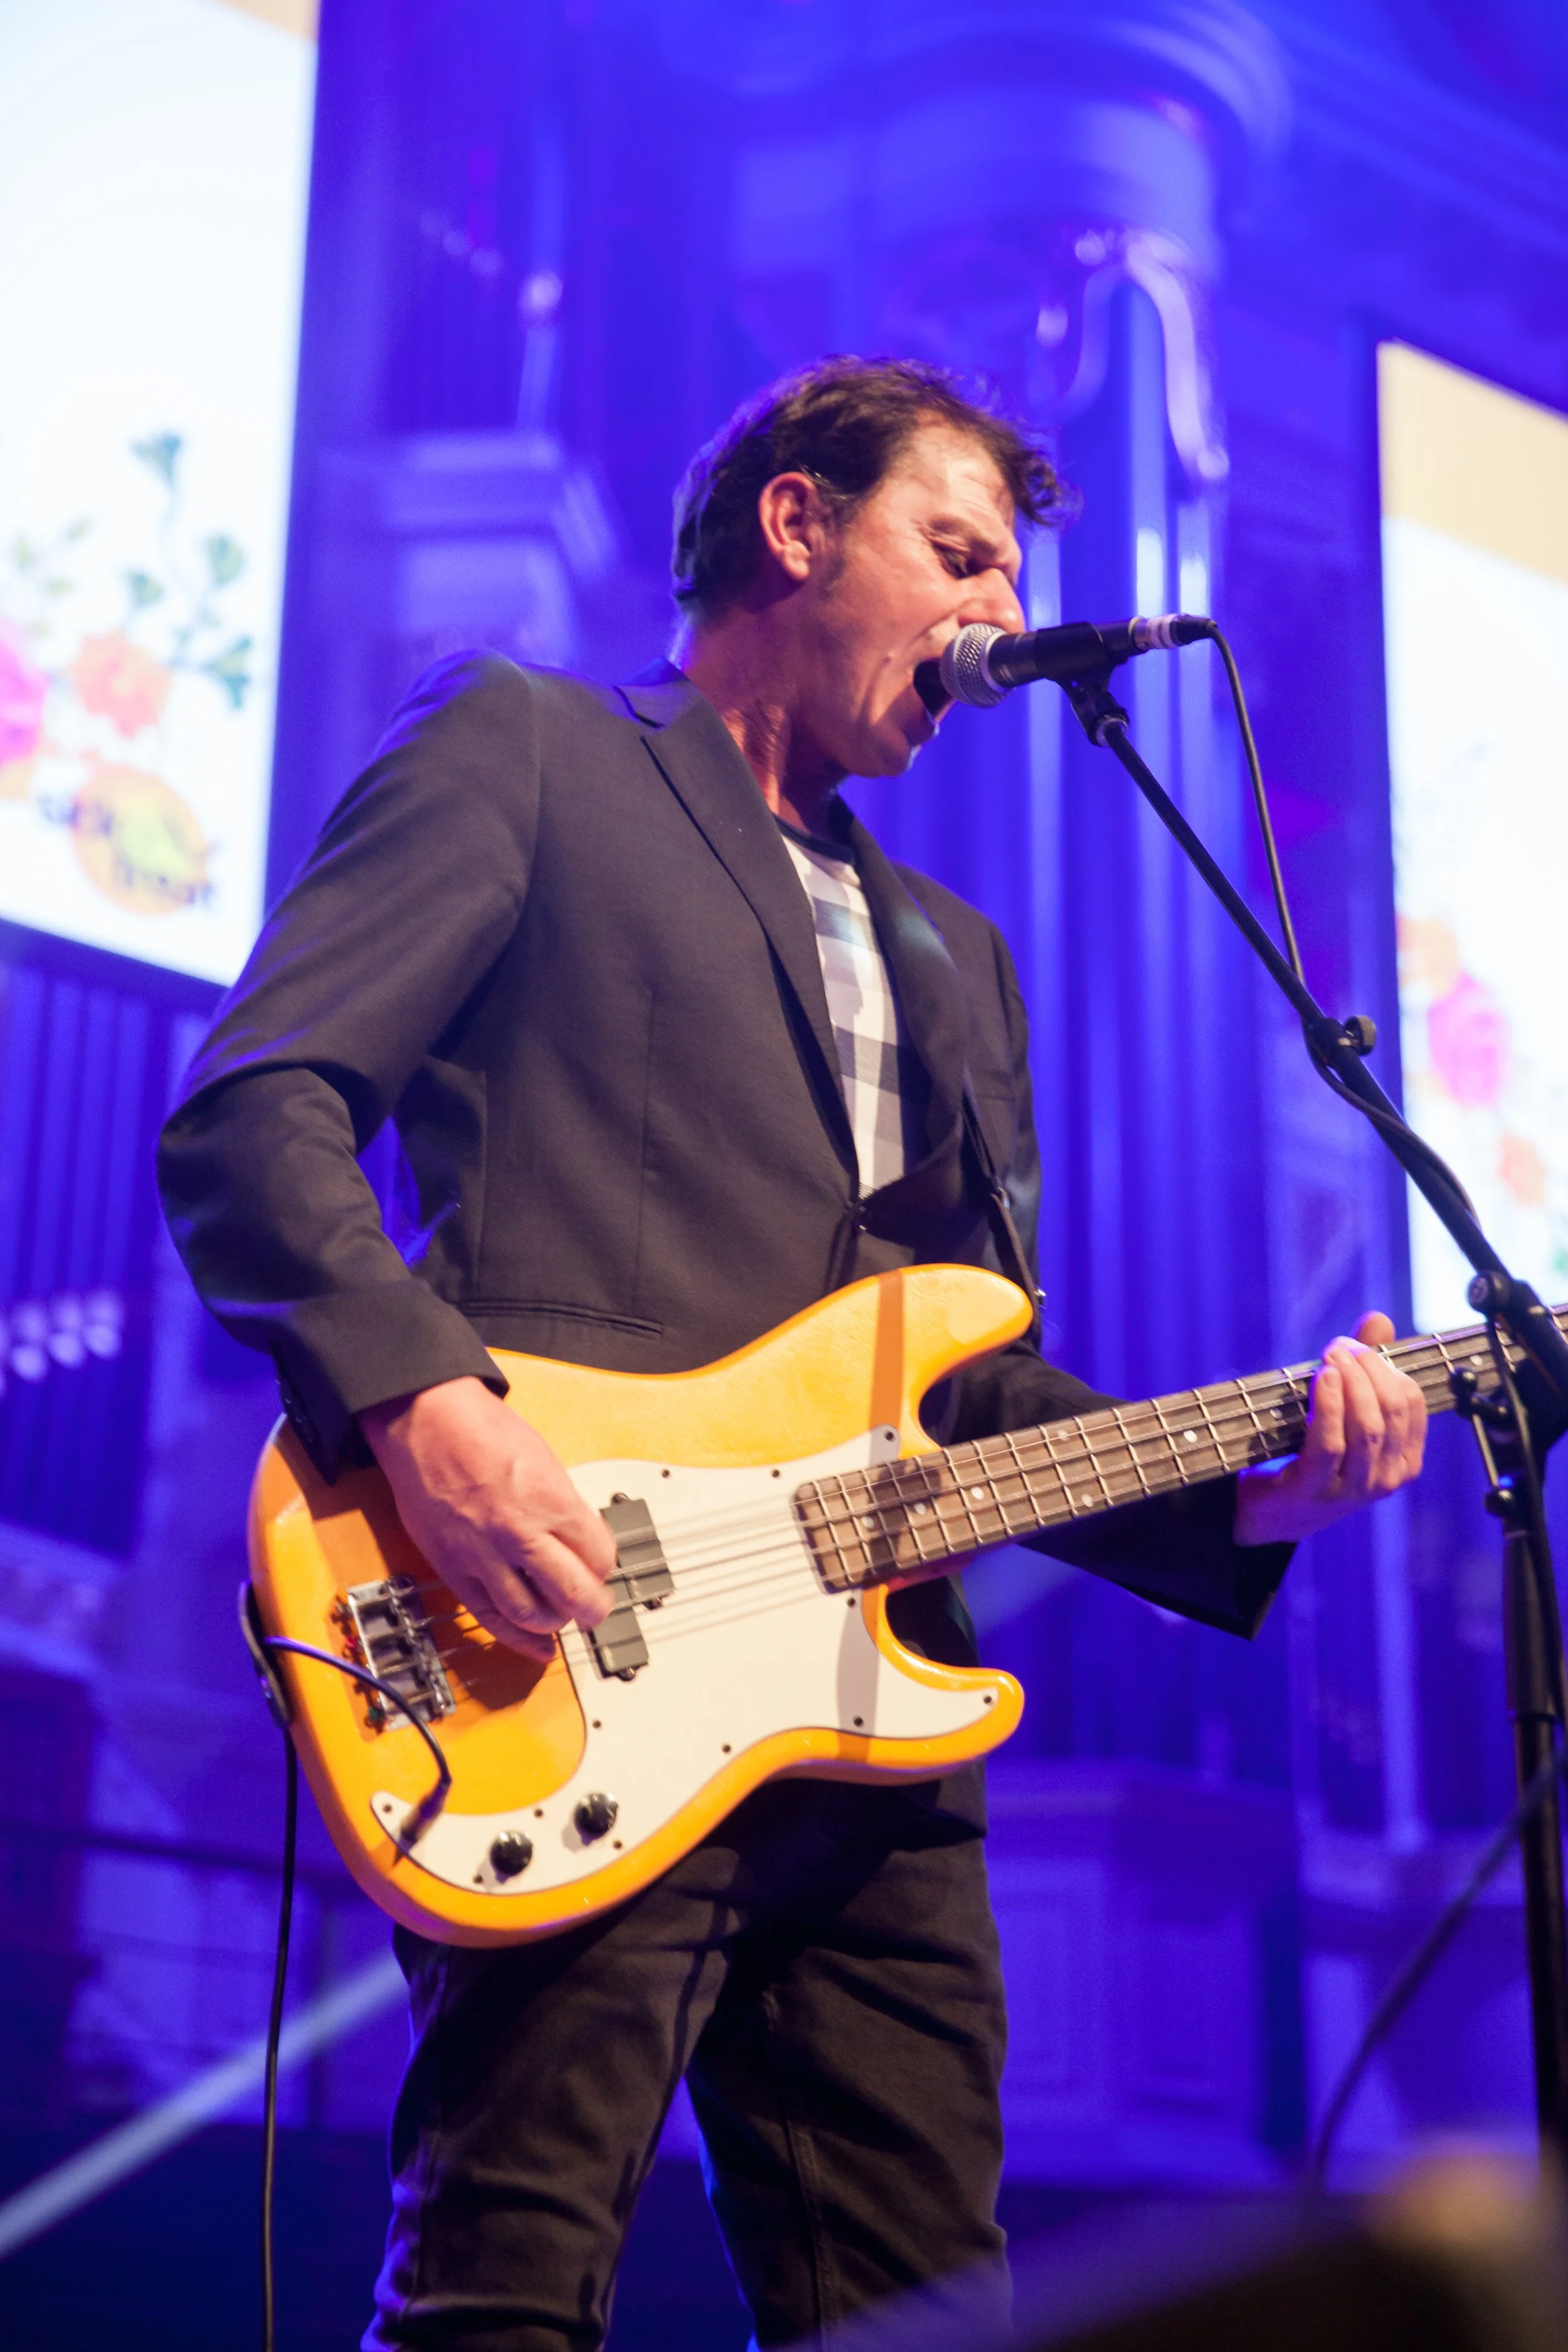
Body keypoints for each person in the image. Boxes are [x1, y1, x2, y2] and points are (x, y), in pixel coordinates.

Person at [158, 358, 1427, 2351]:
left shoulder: (960, 957)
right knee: (505, 2285)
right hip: (555, 1632)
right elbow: (255, 1113)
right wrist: (425, 1405)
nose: (996, 613)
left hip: (867, 1712)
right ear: (795, 520)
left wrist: (1258, 1478)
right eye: (958, 552)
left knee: (927, 2307)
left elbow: (964, 1375)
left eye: (1010, 578)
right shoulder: (529, 749)